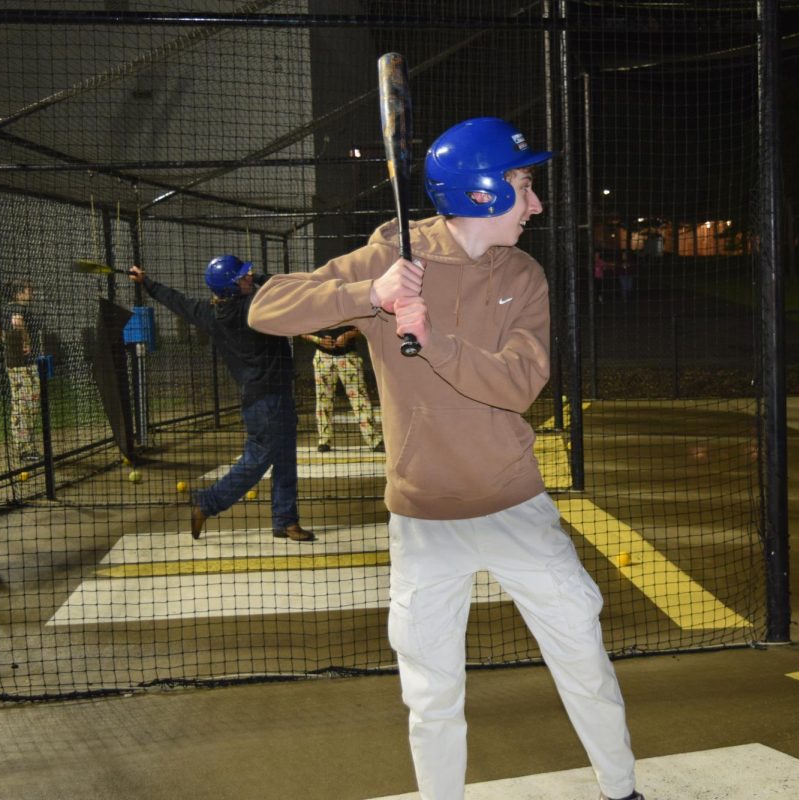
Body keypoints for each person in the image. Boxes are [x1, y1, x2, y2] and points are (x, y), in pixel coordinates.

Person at [248, 117, 641, 800]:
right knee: (431, 688)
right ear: (484, 193)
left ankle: (621, 789)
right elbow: (266, 307)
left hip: (515, 502)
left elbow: (522, 382)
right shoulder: (390, 257)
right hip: (425, 517)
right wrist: (368, 296)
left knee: (582, 652)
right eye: (524, 186)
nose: (536, 204)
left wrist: (432, 340)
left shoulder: (523, 274)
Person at [128, 256, 313, 543]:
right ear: (229, 289)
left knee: (285, 457)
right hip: (265, 399)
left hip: (272, 394)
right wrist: (262, 278)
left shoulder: (211, 313)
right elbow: (282, 286)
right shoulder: (253, 308)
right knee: (258, 458)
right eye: (242, 277)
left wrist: (147, 282)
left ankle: (285, 519)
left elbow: (177, 301)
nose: (249, 277)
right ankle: (208, 502)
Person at [299, 326, 384, 453]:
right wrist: (318, 340)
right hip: (323, 357)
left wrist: (347, 335)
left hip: (348, 356)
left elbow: (363, 326)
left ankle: (374, 440)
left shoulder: (349, 305)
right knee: (323, 402)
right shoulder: (310, 306)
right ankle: (324, 441)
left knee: (360, 400)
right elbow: (300, 330)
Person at [0, 277, 43, 462]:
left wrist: (9, 342)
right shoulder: (18, 309)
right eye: (29, 289)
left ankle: (23, 446)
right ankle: (25, 449)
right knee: (28, 405)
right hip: (25, 365)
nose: (32, 292)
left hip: (13, 364)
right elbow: (17, 321)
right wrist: (25, 341)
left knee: (20, 404)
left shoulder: (6, 308)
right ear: (19, 292)